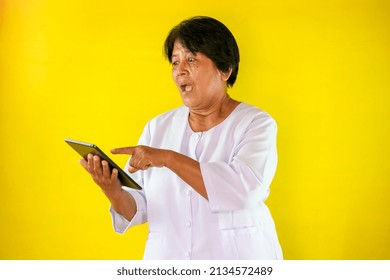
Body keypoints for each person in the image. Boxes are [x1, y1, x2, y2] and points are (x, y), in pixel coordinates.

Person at [79, 16, 283, 260]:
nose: (180, 70)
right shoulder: (158, 127)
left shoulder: (255, 123)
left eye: (191, 59)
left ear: (225, 69)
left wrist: (168, 158)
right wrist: (111, 189)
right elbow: (138, 208)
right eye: (175, 62)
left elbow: (242, 192)